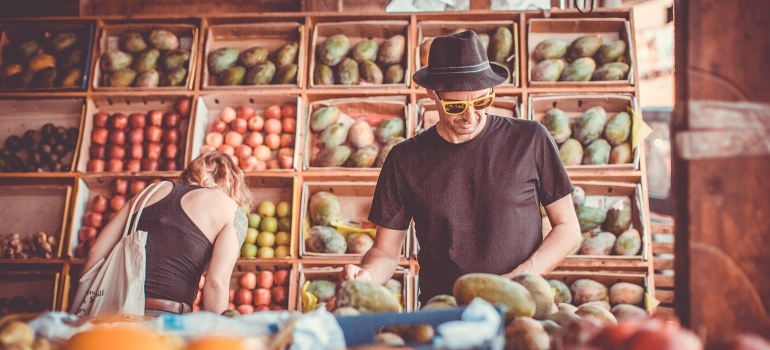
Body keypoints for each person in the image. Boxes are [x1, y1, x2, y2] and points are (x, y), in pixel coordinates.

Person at [342, 30, 582, 305]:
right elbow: (385, 251)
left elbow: (568, 227)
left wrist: (523, 275)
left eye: (482, 101)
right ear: (433, 93)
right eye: (455, 105)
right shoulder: (405, 159)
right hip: (444, 309)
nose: (470, 116)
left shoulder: (530, 139)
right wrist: (367, 276)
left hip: (521, 305)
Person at [80, 151, 252, 315]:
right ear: (233, 185)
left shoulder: (148, 193)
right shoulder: (232, 211)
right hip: (164, 318)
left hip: (112, 311)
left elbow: (96, 252)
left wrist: (83, 308)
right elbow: (216, 283)